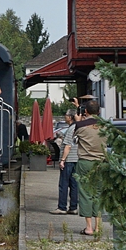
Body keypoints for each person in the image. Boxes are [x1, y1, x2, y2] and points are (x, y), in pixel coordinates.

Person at [72, 97, 106, 235]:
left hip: (85, 161)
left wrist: (78, 121)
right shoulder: (106, 126)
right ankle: (98, 226)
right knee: (98, 193)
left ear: (85, 111)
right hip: (101, 162)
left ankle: (89, 227)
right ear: (99, 112)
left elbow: (74, 139)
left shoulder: (80, 126)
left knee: (85, 193)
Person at [50, 109, 80, 214]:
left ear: (70, 117)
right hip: (76, 159)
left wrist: (62, 159)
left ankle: (62, 207)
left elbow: (68, 145)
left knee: (63, 184)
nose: (65, 117)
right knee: (74, 184)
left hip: (68, 160)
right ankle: (73, 207)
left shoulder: (71, 129)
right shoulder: (78, 127)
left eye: (66, 115)